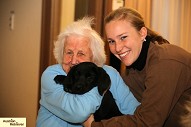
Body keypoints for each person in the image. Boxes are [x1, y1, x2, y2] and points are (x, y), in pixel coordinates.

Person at [83, 7, 191, 127]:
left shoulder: (165, 62)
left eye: (123, 37)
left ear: (142, 33)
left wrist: (94, 125)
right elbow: (127, 114)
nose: (117, 48)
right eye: (111, 41)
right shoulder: (131, 71)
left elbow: (148, 122)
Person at [36, 17, 140, 127]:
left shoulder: (110, 73)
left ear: (94, 58)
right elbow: (78, 112)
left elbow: (135, 112)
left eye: (81, 54)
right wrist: (100, 86)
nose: (73, 60)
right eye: (69, 52)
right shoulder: (51, 75)